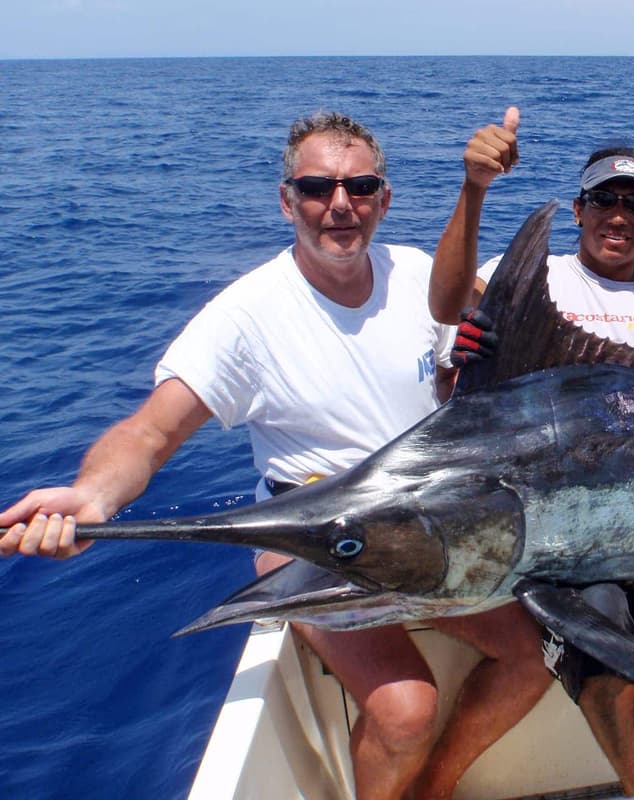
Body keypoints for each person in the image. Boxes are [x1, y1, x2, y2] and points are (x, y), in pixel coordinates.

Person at [0, 111, 551, 800]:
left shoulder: (416, 272)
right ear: (287, 200)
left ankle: (434, 791)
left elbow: (515, 333)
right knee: (406, 708)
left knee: (538, 654)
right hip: (324, 537)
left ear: (385, 198)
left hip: (430, 524)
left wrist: (477, 192)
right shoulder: (245, 316)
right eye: (318, 187)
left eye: (360, 186)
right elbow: (150, 433)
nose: (340, 204)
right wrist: (94, 498)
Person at [430, 108, 634, 796]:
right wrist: (474, 187)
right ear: (577, 210)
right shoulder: (536, 281)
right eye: (604, 200)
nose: (618, 215)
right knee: (598, 648)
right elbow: (450, 305)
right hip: (555, 542)